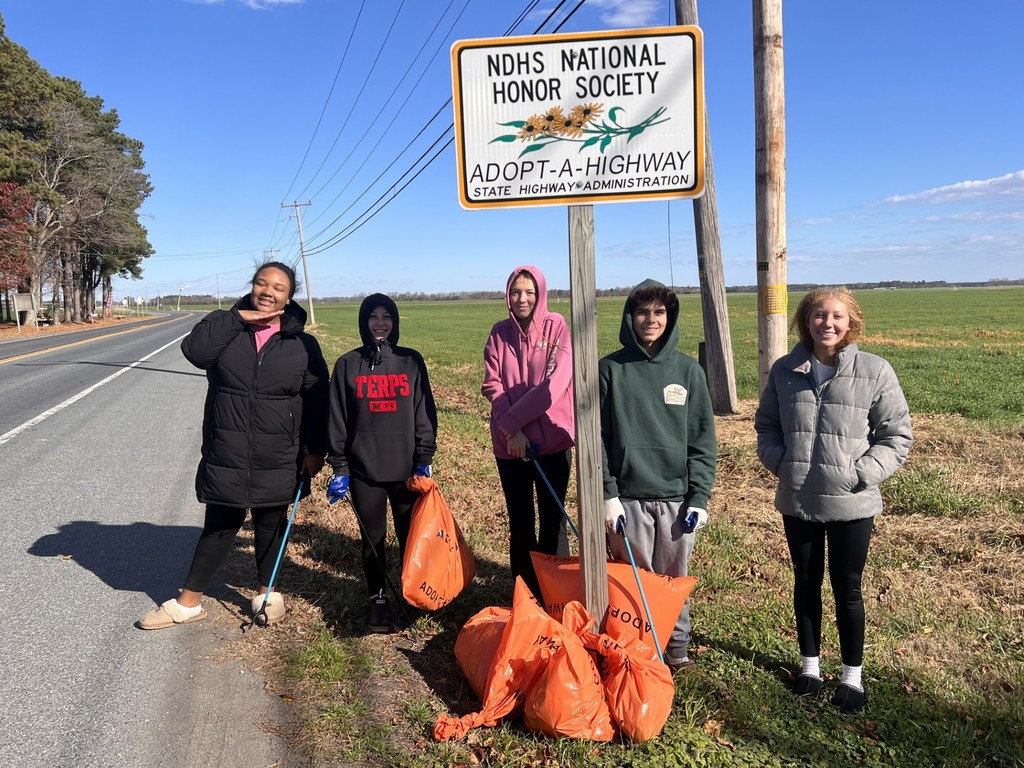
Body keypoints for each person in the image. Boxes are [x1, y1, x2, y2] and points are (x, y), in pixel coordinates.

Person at [138, 262, 329, 630]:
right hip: (228, 448)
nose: (268, 291)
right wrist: (238, 316)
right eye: (261, 283)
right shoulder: (225, 328)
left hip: (279, 453)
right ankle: (187, 603)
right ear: (252, 287)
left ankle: (267, 595)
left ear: (289, 298)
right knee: (219, 526)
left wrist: (315, 449)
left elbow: (319, 398)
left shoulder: (302, 344)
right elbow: (195, 352)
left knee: (270, 524)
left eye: (278, 287)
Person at [755, 287, 912, 713]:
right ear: (805, 321)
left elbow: (896, 435)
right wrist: (783, 463)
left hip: (852, 503)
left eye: (836, 316)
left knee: (847, 588)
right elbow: (766, 426)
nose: (827, 323)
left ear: (851, 323)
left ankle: (851, 678)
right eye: (819, 315)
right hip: (799, 498)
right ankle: (809, 668)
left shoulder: (875, 370)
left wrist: (863, 473)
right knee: (805, 584)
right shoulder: (785, 370)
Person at [599, 279, 717, 673]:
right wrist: (607, 493)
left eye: (659, 312)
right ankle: (633, 652)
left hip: (675, 499)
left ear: (670, 318)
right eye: (643, 312)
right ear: (630, 317)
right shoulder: (610, 370)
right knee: (632, 580)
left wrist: (699, 498)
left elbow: (702, 439)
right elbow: (598, 437)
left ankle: (677, 651)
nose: (651, 320)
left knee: (672, 580)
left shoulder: (687, 371)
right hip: (627, 498)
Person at [325, 293, 437, 633]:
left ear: (395, 321)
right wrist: (340, 466)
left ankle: (409, 593)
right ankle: (377, 598)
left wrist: (423, 458)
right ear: (363, 322)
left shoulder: (410, 361)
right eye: (372, 316)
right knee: (372, 539)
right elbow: (337, 418)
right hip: (364, 472)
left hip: (405, 470)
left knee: (410, 538)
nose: (379, 322)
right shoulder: (347, 364)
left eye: (386, 316)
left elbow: (424, 413)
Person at [482, 266, 575, 598]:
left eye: (529, 292)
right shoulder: (498, 332)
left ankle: (557, 595)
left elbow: (555, 384)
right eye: (516, 292)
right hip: (511, 448)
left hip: (553, 441)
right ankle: (525, 594)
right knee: (520, 522)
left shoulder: (557, 327)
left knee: (553, 521)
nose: (522, 299)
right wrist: (512, 434)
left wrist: (510, 423)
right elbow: (493, 384)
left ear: (541, 294)